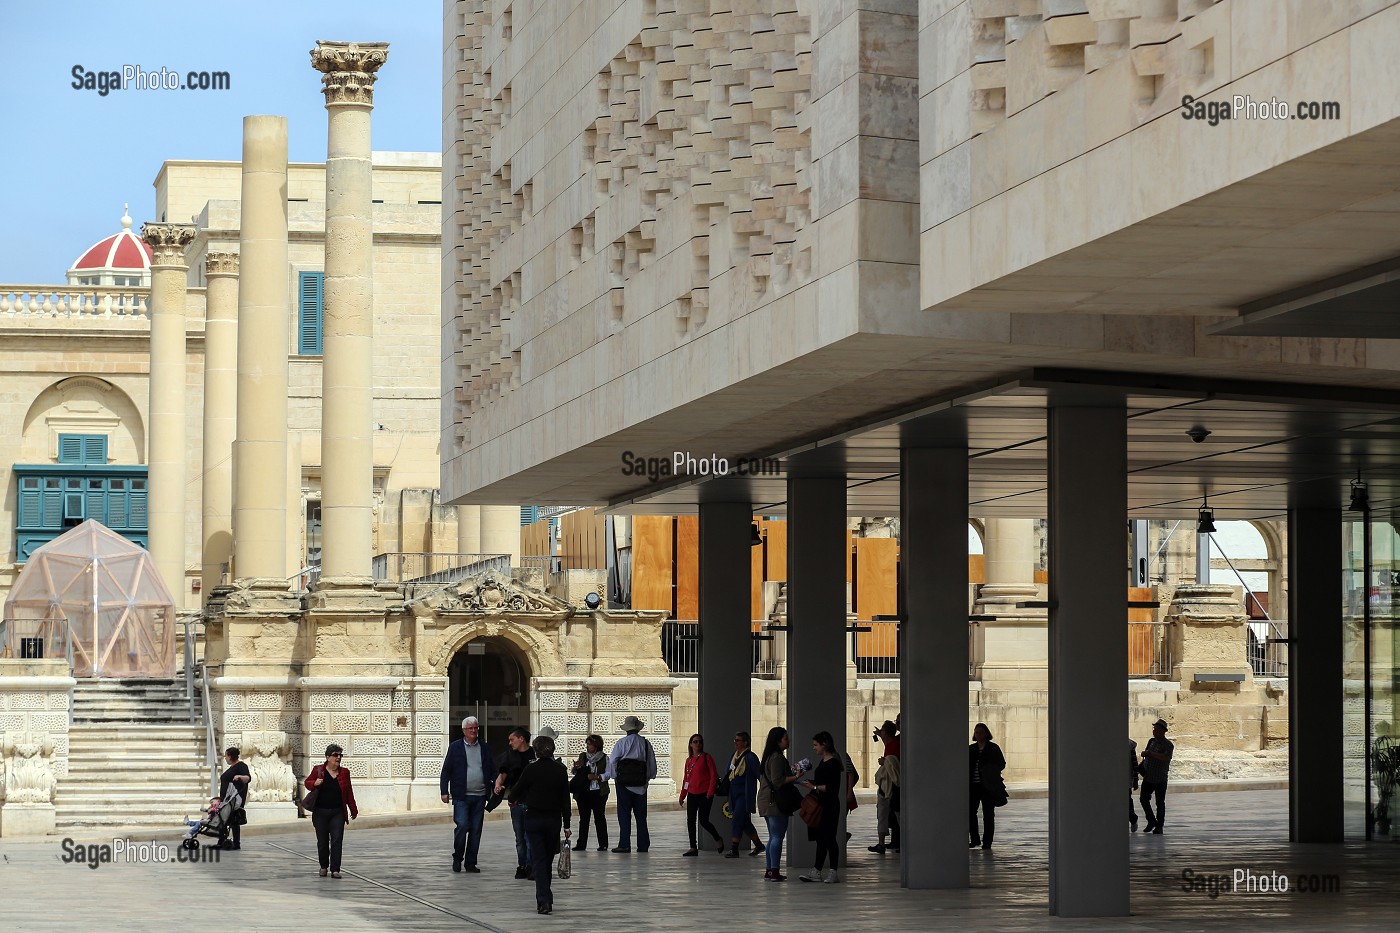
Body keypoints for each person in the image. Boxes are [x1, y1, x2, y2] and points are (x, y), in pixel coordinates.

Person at [509, 734, 572, 915]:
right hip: (553, 821)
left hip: (534, 819)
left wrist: (513, 799)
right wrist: (567, 825)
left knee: (539, 859)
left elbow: (517, 790)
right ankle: (545, 897)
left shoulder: (531, 769)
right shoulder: (560, 770)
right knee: (546, 860)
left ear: (535, 751)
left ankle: (544, 900)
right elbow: (565, 800)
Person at [439, 715, 499, 873]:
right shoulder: (455, 747)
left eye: (476, 728)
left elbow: (491, 769)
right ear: (464, 730)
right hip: (461, 796)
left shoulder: (484, 747)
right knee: (463, 825)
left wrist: (496, 783)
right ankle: (457, 857)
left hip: (480, 796)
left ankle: (471, 863)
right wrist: (444, 791)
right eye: (470, 728)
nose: (474, 730)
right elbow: (446, 770)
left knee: (476, 830)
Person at [603, 715, 657, 852]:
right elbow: (651, 762)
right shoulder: (645, 743)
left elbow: (613, 761)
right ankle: (643, 845)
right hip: (640, 784)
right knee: (641, 816)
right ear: (638, 729)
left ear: (626, 729)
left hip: (624, 784)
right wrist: (648, 778)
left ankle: (625, 844)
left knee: (624, 815)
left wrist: (616, 777)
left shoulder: (621, 743)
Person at [757, 726, 803, 882]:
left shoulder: (769, 757)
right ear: (778, 741)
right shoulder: (776, 757)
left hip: (766, 800)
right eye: (785, 738)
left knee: (772, 837)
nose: (788, 741)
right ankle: (774, 871)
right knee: (777, 836)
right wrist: (795, 777)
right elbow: (777, 781)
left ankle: (770, 870)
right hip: (774, 802)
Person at [306, 744, 358, 878]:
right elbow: (307, 782)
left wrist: (353, 808)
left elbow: (349, 792)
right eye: (335, 755)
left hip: (337, 812)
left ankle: (335, 870)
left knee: (337, 840)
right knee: (322, 842)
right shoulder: (318, 770)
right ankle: (323, 866)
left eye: (340, 755)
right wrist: (314, 784)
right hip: (320, 812)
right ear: (328, 757)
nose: (338, 758)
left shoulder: (344, 772)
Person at [798, 730, 843, 883]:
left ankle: (833, 871)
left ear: (824, 745)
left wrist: (814, 787)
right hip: (821, 804)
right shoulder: (823, 761)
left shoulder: (834, 763)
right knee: (821, 839)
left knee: (830, 838)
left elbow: (832, 787)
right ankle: (817, 870)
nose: (814, 748)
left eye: (816, 745)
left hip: (829, 805)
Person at [494, 727, 536, 879]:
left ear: (521, 739)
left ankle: (532, 866)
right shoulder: (509, 756)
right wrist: (498, 785)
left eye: (512, 739)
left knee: (530, 836)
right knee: (520, 837)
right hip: (516, 803)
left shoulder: (535, 754)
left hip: (532, 802)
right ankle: (522, 865)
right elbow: (502, 774)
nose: (510, 743)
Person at [679, 733, 721, 855]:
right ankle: (693, 847)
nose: (698, 744)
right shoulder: (689, 760)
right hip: (692, 793)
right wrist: (683, 795)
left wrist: (710, 792)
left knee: (703, 821)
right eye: (695, 742)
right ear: (691, 744)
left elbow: (713, 775)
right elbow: (686, 779)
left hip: (704, 794)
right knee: (690, 820)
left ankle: (717, 838)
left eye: (700, 742)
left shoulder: (706, 757)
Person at [723, 731, 764, 858]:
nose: (736, 743)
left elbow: (759, 775)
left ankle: (734, 849)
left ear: (745, 742)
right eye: (735, 740)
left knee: (736, 819)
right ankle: (759, 845)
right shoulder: (733, 756)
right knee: (744, 821)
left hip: (744, 794)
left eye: (738, 740)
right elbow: (728, 773)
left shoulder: (751, 757)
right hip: (734, 793)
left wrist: (765, 789)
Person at [969, 722, 1006, 850]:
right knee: (970, 813)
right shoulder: (971, 749)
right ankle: (974, 839)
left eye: (981, 732)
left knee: (988, 814)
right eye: (976, 732)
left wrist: (990, 770)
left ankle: (987, 842)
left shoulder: (993, 748)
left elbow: (1001, 763)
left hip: (988, 786)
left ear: (986, 733)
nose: (978, 735)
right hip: (973, 786)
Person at [571, 734, 609, 851]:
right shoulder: (583, 756)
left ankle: (603, 844)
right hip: (584, 791)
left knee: (599, 818)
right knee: (584, 818)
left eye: (590, 744)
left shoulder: (604, 758)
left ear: (596, 745)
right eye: (587, 744)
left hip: (598, 791)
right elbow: (576, 773)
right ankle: (581, 844)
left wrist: (597, 777)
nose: (587, 746)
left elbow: (609, 774)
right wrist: (576, 768)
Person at [869, 720, 901, 855]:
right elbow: (885, 739)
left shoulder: (895, 745)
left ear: (886, 733)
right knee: (884, 814)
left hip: (891, 785)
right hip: (887, 785)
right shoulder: (891, 742)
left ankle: (882, 843)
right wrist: (879, 734)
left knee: (893, 814)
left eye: (882, 731)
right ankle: (881, 843)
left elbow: (895, 764)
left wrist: (884, 761)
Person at [1140, 719, 1175, 834]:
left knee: (1160, 803)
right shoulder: (1151, 741)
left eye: (1156, 729)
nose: (1154, 731)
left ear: (1163, 731)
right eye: (1154, 729)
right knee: (1143, 799)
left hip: (1160, 778)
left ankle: (1159, 826)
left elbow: (1166, 758)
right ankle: (1151, 821)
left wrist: (1150, 754)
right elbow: (1147, 753)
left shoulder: (1168, 745)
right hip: (1148, 776)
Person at [218, 747, 251, 850]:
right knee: (231, 820)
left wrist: (239, 777)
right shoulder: (232, 767)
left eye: (226, 756)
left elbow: (247, 778)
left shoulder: (241, 766)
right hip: (227, 799)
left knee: (230, 820)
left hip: (234, 799)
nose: (225, 758)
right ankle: (232, 842)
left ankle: (228, 842)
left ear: (230, 756)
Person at [1128, 738, 1140, 831]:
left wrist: (1135, 779)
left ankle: (1133, 818)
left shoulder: (1129, 744)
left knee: (1127, 800)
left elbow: (1134, 763)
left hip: (1126, 777)